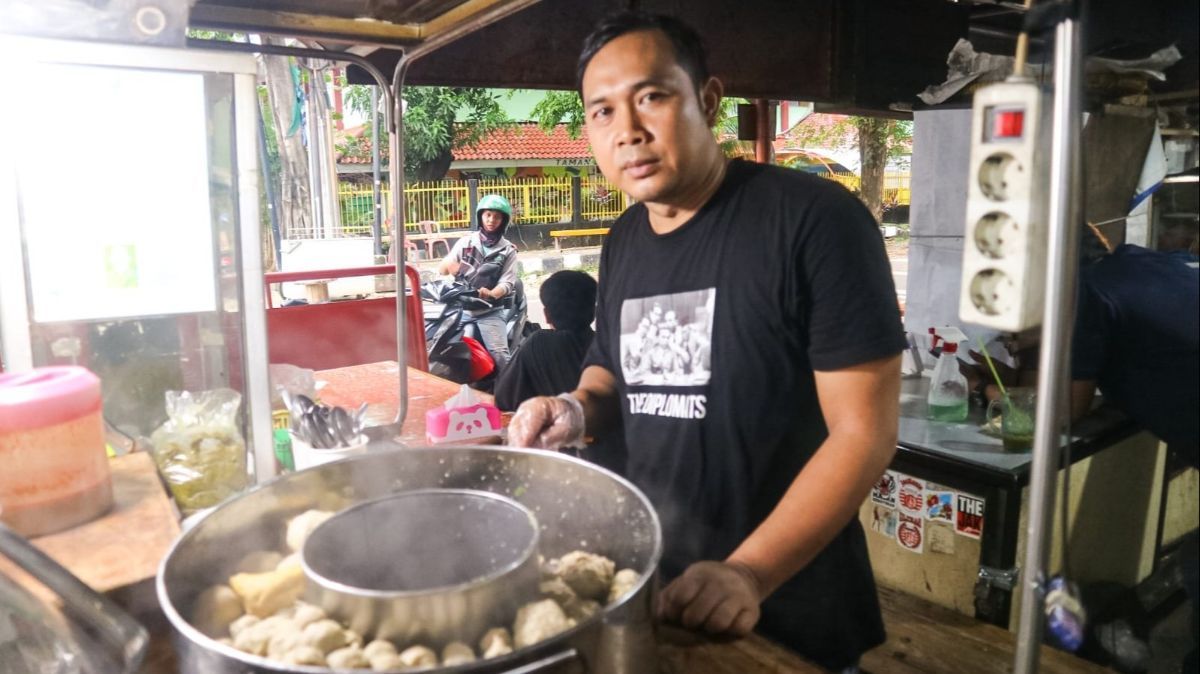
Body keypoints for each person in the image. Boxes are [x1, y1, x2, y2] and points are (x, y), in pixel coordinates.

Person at [507, 12, 905, 670]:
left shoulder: (813, 221)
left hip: (788, 606)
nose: (628, 130)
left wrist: (747, 574)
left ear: (709, 100)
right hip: (658, 592)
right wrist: (575, 407)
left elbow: (864, 431)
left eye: (651, 97)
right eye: (602, 111)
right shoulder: (626, 238)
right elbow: (613, 367)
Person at [494, 270, 598, 411]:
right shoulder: (606, 344)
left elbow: (504, 399)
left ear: (547, 315)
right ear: (594, 312)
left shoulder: (538, 342)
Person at [437, 194, 520, 370]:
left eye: (497, 217)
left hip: (489, 311)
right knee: (437, 345)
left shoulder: (507, 250)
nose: (491, 220)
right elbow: (443, 268)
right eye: (488, 215)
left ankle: (511, 390)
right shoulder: (465, 242)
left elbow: (507, 282)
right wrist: (448, 266)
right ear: (480, 216)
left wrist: (492, 294)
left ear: (503, 221)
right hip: (460, 309)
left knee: (500, 356)